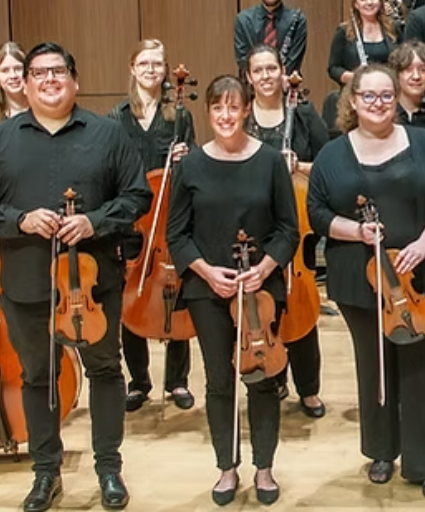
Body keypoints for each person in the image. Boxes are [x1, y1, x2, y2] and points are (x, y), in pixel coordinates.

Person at [0, 42, 151, 512]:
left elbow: (137, 196)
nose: (50, 80)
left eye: (59, 71)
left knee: (106, 370)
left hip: (94, 283)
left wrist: (96, 221)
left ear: (75, 80)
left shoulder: (107, 135)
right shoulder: (0, 139)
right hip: (27, 283)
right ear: (24, 83)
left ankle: (108, 469)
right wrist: (20, 221)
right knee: (38, 377)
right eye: (39, 73)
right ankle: (46, 472)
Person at [308, 64, 425, 498]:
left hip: (421, 277)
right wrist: (355, 231)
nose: (378, 103)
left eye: (386, 95)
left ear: (397, 99)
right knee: (373, 366)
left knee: (422, 368)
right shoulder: (333, 154)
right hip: (360, 280)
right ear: (352, 101)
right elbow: (317, 212)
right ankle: (381, 451)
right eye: (368, 96)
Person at [166, 74, 297, 506]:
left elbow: (287, 229)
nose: (225, 115)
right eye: (217, 108)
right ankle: (226, 467)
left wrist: (263, 268)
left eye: (233, 107)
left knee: (262, 376)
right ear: (208, 112)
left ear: (246, 111)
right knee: (220, 380)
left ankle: (263, 467)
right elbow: (177, 234)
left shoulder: (270, 161)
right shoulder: (190, 166)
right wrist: (205, 272)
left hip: (259, 287)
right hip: (209, 290)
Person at [109, 39, 195, 413]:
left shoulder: (180, 115)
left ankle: (177, 381)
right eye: (144, 63)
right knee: (132, 297)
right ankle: (139, 380)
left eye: (157, 64)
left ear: (165, 71)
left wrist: (183, 157)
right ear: (132, 67)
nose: (151, 69)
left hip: (170, 216)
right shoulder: (116, 117)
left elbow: (191, 170)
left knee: (176, 291)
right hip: (134, 221)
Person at [243, 44, 329, 419]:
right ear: (249, 77)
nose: (265, 76)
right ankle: (272, 376)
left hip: (295, 222)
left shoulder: (304, 113)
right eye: (258, 70)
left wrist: (301, 165)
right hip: (252, 225)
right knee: (263, 308)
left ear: (282, 72)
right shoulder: (242, 116)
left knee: (301, 307)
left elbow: (330, 163)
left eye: (271, 69)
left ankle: (308, 389)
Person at [325, 0, 398, 127]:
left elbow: (401, 62)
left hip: (385, 97)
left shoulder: (393, 29)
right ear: (356, 5)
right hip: (355, 96)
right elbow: (333, 68)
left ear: (380, 1)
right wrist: (353, 77)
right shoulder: (343, 32)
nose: (369, 2)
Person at [234, 0, 307, 76]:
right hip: (252, 85)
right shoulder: (243, 19)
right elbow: (243, 59)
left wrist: (277, 78)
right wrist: (259, 77)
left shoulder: (297, 20)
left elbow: (294, 59)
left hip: (285, 83)